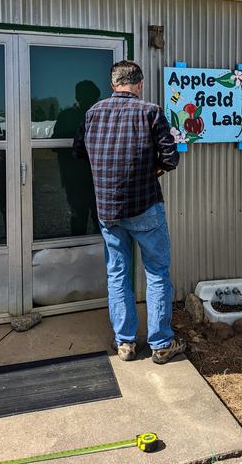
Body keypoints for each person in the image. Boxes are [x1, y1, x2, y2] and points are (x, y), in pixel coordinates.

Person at [75, 61, 185, 365]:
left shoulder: (92, 113)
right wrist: (151, 171)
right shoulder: (150, 111)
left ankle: (125, 343)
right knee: (157, 273)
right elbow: (170, 157)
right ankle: (161, 343)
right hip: (145, 206)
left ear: (114, 84)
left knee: (117, 273)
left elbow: (79, 152)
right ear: (139, 83)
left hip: (108, 209)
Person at [53, 80, 101, 236]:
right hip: (94, 179)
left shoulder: (66, 116)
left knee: (79, 218)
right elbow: (55, 144)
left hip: (76, 178)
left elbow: (54, 145)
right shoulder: (100, 117)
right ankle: (99, 254)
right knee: (100, 220)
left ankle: (77, 253)